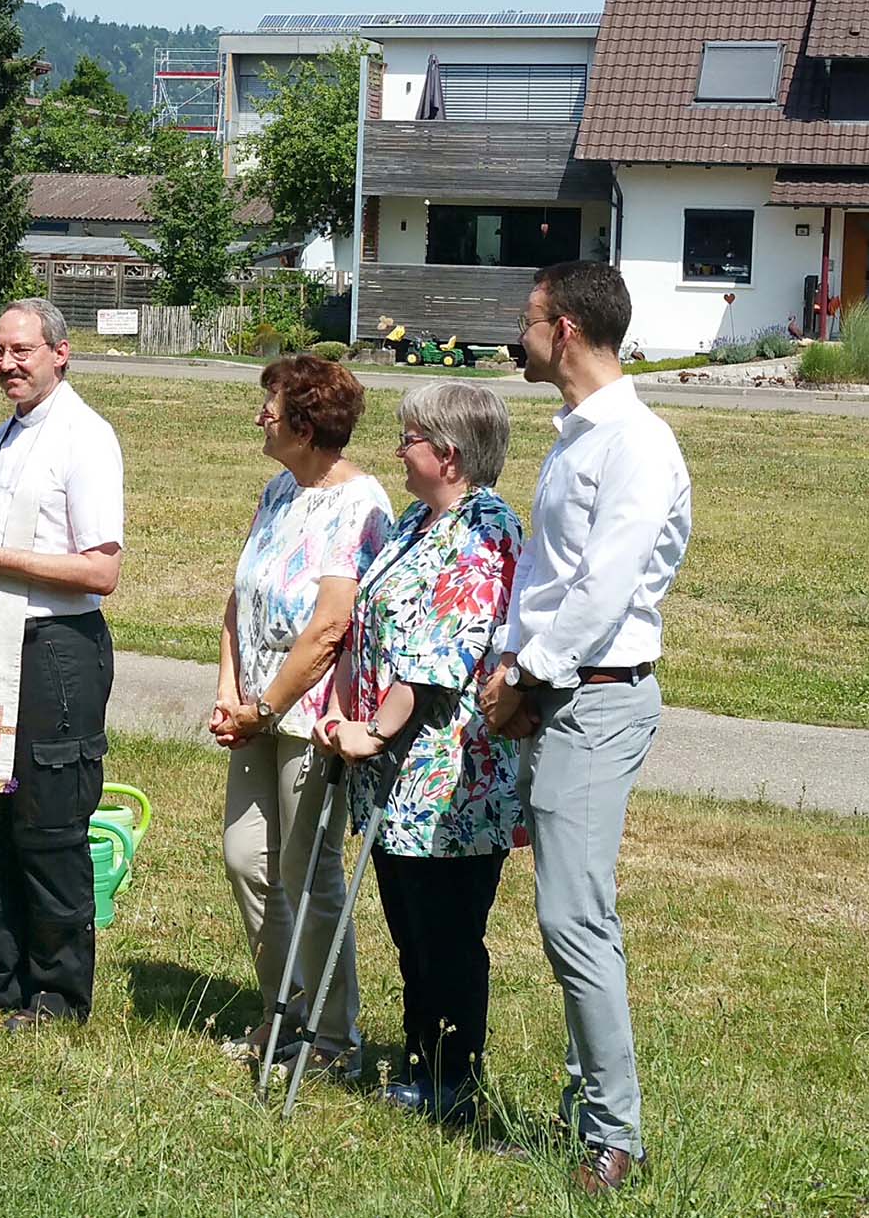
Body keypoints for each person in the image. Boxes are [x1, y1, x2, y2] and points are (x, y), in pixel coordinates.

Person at [479, 260, 691, 1194]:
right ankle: (586, 1116)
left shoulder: (636, 444)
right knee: (575, 913)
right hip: (558, 690)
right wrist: (511, 661)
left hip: (597, 696)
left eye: (527, 318)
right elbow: (546, 574)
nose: (517, 334)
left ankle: (616, 1136)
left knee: (574, 916)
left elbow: (604, 590)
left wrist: (525, 673)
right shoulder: (576, 436)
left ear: (563, 328)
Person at [316, 380, 524, 1127]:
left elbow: (443, 655)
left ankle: (454, 1081)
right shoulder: (415, 521)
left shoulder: (488, 528)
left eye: (409, 438)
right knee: (411, 930)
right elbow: (369, 621)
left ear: (450, 453)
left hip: (449, 779)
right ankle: (419, 1064)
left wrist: (374, 730)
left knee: (448, 935)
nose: (398, 450)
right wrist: (346, 711)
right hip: (391, 775)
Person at [0, 298, 124, 1030]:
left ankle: (58, 992)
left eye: (22, 351)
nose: (7, 364)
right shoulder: (8, 432)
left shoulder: (85, 437)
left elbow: (100, 571)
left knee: (47, 824)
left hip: (51, 653)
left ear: (60, 354)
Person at [212, 355, 392, 1075]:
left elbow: (329, 627)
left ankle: (332, 1038)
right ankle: (281, 1011)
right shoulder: (278, 489)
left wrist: (264, 708)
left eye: (273, 404)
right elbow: (242, 594)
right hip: (253, 707)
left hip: (310, 712)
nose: (261, 414)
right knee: (245, 858)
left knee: (306, 871)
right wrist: (229, 692)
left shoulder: (361, 503)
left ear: (306, 423)